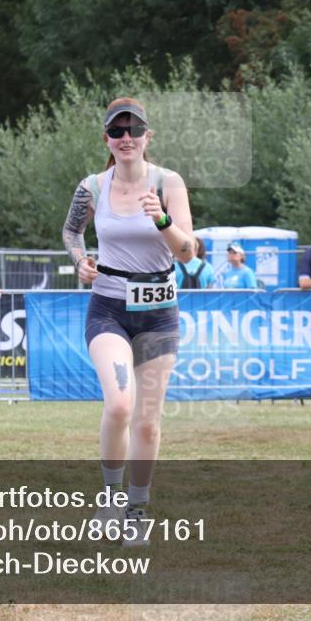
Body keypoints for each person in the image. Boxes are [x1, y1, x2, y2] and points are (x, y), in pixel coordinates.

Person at [61, 97, 194, 547]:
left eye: (133, 130)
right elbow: (71, 230)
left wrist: (161, 218)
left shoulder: (168, 182)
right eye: (116, 132)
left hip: (158, 314)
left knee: (147, 421)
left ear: (147, 136)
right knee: (119, 405)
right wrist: (81, 260)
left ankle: (137, 509)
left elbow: (188, 251)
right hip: (109, 309)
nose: (125, 138)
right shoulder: (93, 186)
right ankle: (109, 500)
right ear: (106, 139)